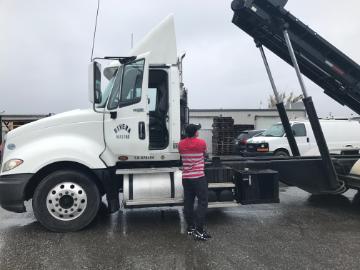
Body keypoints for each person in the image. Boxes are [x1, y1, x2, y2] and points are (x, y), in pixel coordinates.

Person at [178, 124, 211, 241]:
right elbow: (204, 154)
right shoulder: (201, 143)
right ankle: (199, 230)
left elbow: (182, 155)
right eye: (197, 130)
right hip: (198, 177)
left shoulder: (180, 144)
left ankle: (190, 227)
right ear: (195, 132)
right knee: (202, 202)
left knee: (188, 201)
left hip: (186, 177)